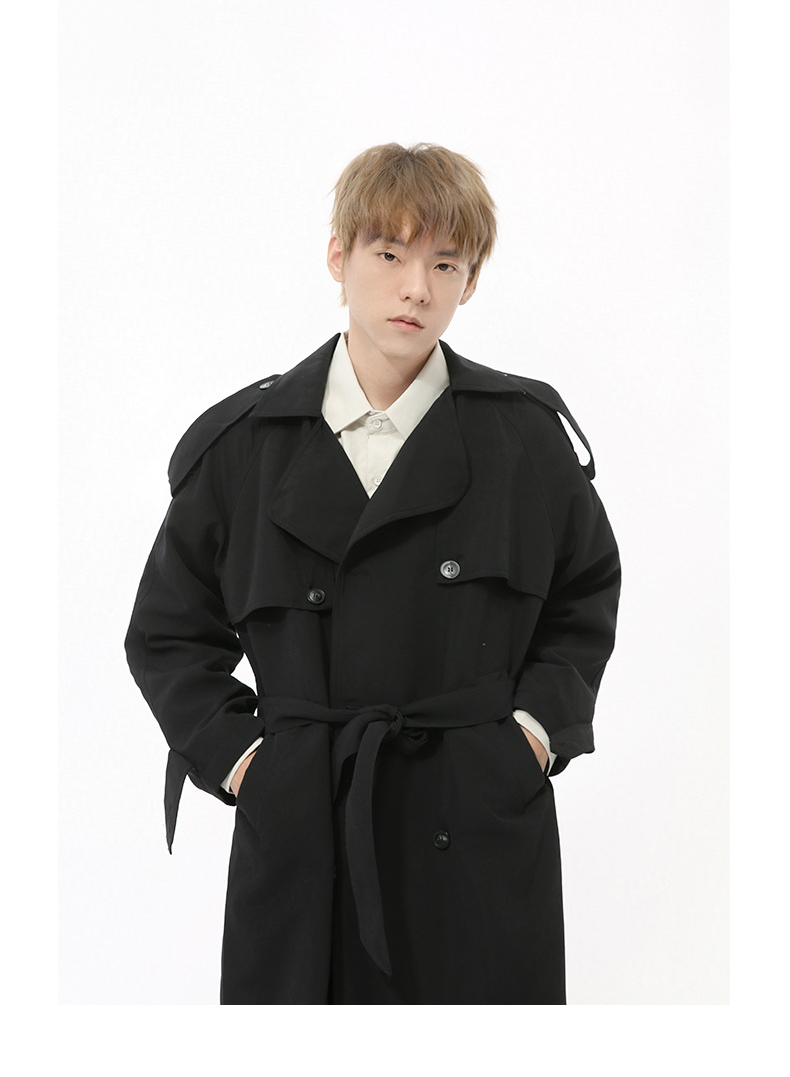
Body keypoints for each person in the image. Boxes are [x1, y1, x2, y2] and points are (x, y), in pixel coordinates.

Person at [125, 142, 621, 1004]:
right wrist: (248, 763)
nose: (416, 288)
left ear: (470, 281)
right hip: (306, 834)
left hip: (475, 836)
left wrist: (532, 736)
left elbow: (585, 595)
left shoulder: (524, 440)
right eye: (389, 255)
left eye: (445, 263)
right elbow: (168, 633)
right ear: (338, 257)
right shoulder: (244, 448)